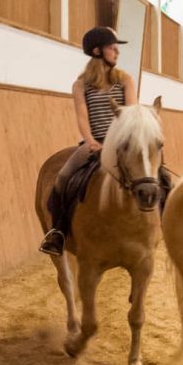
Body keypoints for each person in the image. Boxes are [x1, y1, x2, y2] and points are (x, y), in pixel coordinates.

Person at [41, 26, 136, 256]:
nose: (117, 52)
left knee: (154, 172)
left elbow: (131, 113)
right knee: (63, 177)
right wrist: (91, 141)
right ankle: (58, 233)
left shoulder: (125, 80)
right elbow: (82, 118)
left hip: (122, 142)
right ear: (97, 51)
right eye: (112, 47)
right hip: (94, 143)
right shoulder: (81, 85)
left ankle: (165, 218)